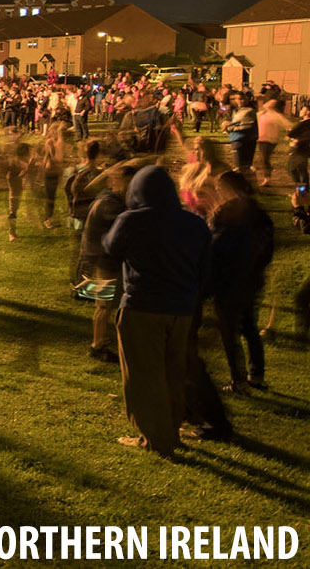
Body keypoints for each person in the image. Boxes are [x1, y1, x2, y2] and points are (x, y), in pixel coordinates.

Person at [104, 164, 211, 454]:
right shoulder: (195, 223)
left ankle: (154, 437)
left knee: (143, 373)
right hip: (182, 309)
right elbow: (204, 264)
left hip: (142, 306)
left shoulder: (132, 220)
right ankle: (171, 430)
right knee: (172, 371)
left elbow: (110, 248)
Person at [208, 169, 272, 392]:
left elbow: (216, 247)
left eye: (218, 188)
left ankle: (239, 380)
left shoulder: (225, 212)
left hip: (228, 281)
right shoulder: (258, 211)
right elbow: (267, 248)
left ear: (226, 188)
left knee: (229, 331)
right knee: (249, 327)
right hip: (252, 279)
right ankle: (257, 375)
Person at [82, 166, 135, 363]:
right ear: (114, 182)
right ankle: (98, 346)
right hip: (105, 262)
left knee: (106, 305)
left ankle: (101, 343)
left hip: (106, 260)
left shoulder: (113, 201)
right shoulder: (110, 205)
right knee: (104, 306)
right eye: (126, 183)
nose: (130, 188)